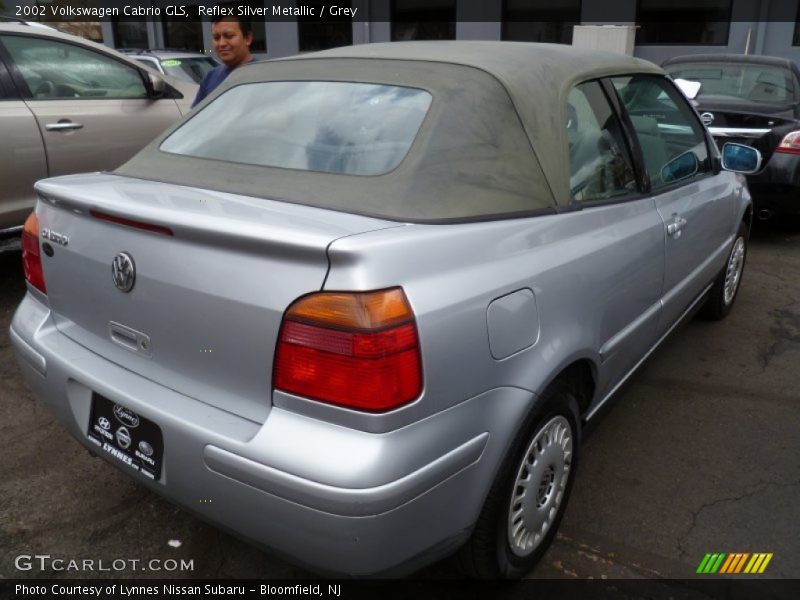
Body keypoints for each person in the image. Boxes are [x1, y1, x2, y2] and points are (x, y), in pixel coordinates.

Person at [192, 16, 254, 107]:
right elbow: (196, 117)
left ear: (248, 38)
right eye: (216, 38)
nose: (221, 43)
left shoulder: (265, 77)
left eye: (229, 36)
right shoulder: (210, 78)